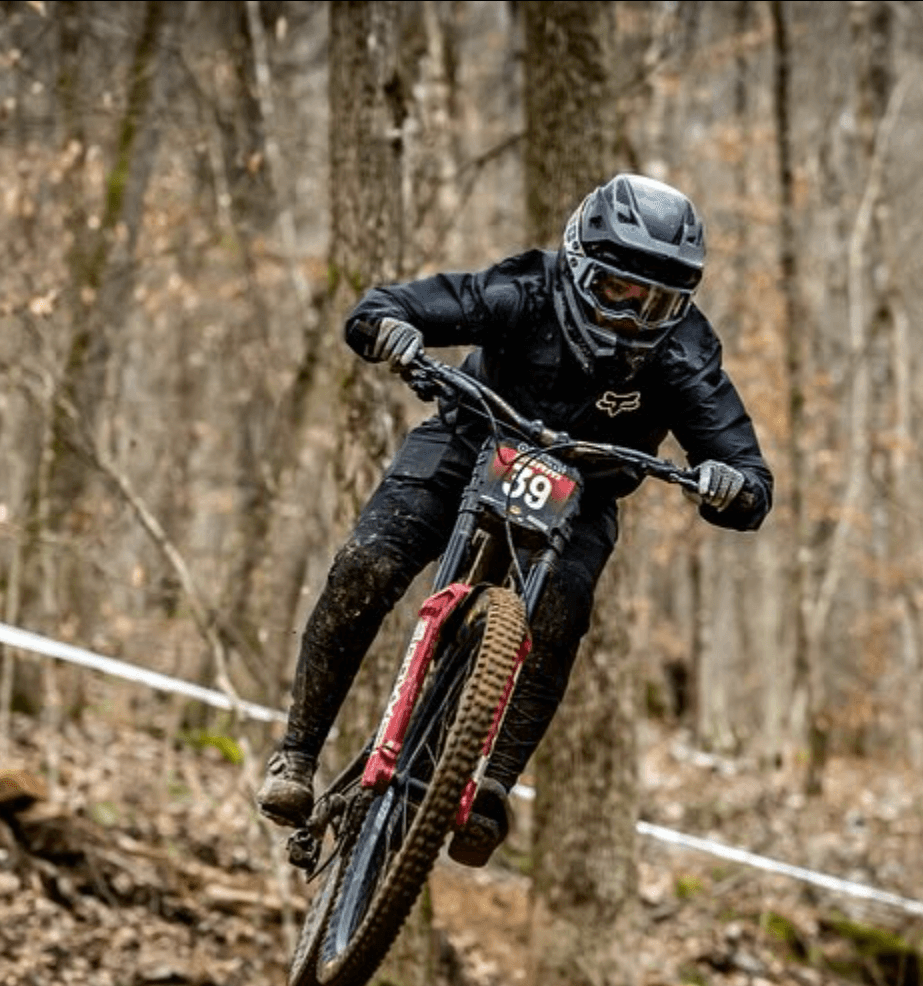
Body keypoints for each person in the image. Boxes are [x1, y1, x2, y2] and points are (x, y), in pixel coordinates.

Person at [254, 172, 773, 867]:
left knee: (563, 609)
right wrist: (391, 329)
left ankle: (493, 785)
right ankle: (296, 754)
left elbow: (750, 476)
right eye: (621, 289)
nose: (633, 314)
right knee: (369, 563)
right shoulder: (525, 290)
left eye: (658, 300)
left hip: (584, 489)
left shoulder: (682, 352)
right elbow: (385, 307)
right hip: (468, 443)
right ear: (582, 267)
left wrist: (728, 484)